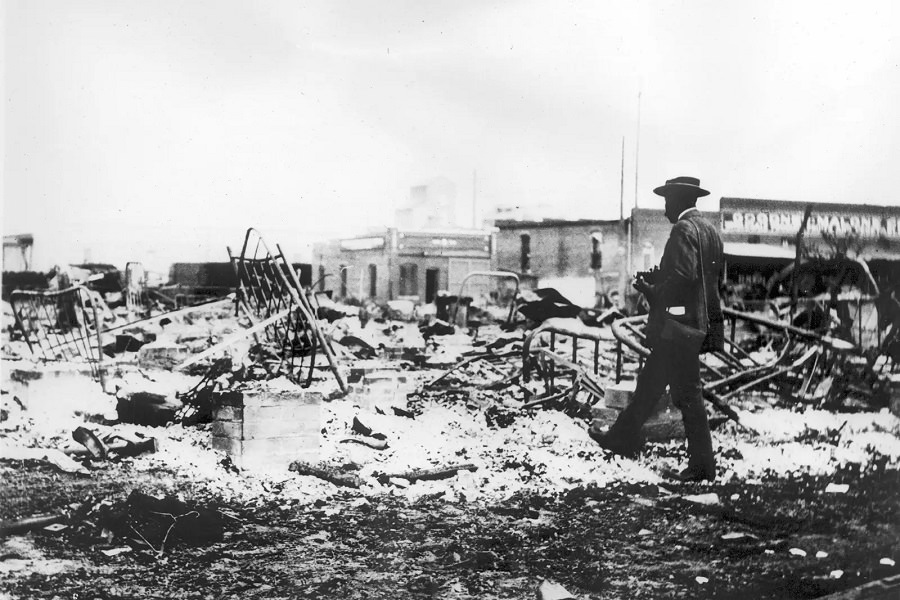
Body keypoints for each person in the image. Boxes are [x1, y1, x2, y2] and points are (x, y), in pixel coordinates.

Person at [591, 176, 724, 482]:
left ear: (677, 200)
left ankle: (702, 466)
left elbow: (682, 278)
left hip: (679, 327)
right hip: (698, 325)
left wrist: (652, 290)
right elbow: (710, 281)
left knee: (687, 393)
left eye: (667, 200)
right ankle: (622, 437)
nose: (664, 208)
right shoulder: (711, 231)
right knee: (651, 382)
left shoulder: (682, 229)